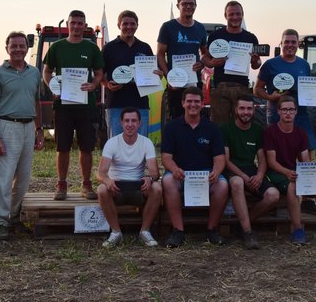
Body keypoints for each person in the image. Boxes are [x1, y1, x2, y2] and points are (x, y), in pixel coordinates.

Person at [263, 96, 316, 244]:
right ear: (278, 112)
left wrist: (313, 174)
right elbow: (271, 162)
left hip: (294, 171)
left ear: (296, 112)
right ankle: (297, 230)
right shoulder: (270, 132)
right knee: (293, 186)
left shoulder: (300, 133)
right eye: (284, 110)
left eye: (291, 109)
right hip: (276, 174)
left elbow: (305, 159)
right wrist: (287, 172)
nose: (287, 113)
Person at [0, 32, 44, 240]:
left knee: (23, 177)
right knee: (4, 177)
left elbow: (36, 102)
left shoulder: (34, 73)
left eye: (21, 46)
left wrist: (39, 129)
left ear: (27, 48)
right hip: (6, 125)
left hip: (28, 127)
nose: (18, 49)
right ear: (7, 48)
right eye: (14, 46)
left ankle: (15, 219)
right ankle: (1, 222)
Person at [43, 10, 104, 200]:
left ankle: (86, 184)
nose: (76, 26)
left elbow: (99, 73)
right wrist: (53, 87)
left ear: (85, 26)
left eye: (80, 23)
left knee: (87, 147)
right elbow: (47, 71)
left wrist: (93, 84)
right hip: (63, 105)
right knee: (63, 147)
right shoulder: (57, 47)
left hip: (86, 106)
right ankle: (61, 184)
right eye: (73, 23)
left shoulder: (91, 48)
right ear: (68, 24)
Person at [161, 86, 228, 247]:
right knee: (168, 181)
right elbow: (166, 157)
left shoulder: (212, 128)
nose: (193, 104)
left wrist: (216, 172)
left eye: (197, 101)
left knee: (223, 185)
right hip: (181, 174)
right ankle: (178, 231)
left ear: (203, 103)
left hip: (205, 174)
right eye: (189, 101)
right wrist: (175, 169)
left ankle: (212, 230)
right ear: (183, 103)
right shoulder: (171, 127)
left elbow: (220, 158)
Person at [96, 107, 162, 248]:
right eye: (127, 120)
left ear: (140, 124)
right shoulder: (112, 143)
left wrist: (150, 178)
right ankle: (115, 232)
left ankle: (145, 231)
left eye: (134, 121)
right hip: (117, 187)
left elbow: (155, 173)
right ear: (121, 123)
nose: (130, 124)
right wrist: (108, 181)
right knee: (101, 189)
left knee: (156, 187)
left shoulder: (146, 143)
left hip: (138, 187)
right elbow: (100, 173)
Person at [221, 95, 279, 249]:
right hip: (233, 171)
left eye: (249, 108)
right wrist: (245, 177)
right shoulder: (226, 129)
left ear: (253, 110)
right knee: (238, 182)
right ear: (236, 110)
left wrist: (259, 176)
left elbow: (262, 158)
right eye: (242, 108)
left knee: (273, 195)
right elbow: (226, 161)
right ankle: (248, 232)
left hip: (252, 171)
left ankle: (241, 225)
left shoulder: (258, 130)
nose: (245, 112)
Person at [254, 29, 316, 151]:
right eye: (286, 42)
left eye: (293, 42)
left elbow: (308, 88)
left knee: (307, 148)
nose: (290, 45)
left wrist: (315, 93)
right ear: (281, 43)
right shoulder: (270, 64)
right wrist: (270, 97)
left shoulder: (304, 64)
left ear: (298, 44)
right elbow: (257, 89)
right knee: (278, 150)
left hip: (300, 114)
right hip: (277, 115)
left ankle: (303, 171)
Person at [102, 10, 160, 138]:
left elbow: (152, 72)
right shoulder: (109, 48)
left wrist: (157, 76)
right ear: (118, 25)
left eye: (132, 24)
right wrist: (107, 84)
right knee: (116, 144)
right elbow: (99, 74)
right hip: (116, 103)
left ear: (137, 25)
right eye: (125, 24)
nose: (129, 27)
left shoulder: (145, 47)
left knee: (140, 144)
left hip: (140, 103)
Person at [202, 1, 261, 124]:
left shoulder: (251, 38)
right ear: (225, 15)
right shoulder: (216, 36)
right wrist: (212, 63)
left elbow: (256, 65)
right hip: (220, 87)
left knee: (241, 124)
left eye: (238, 14)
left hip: (242, 87)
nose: (235, 17)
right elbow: (204, 58)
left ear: (242, 15)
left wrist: (256, 61)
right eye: (231, 14)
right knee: (219, 125)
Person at [157, 0, 208, 119]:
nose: (188, 6)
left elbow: (206, 53)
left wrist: (201, 63)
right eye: (185, 4)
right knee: (175, 119)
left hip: (193, 82)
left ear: (196, 6)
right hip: (175, 83)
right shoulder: (168, 27)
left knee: (195, 117)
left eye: (191, 4)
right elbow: (160, 54)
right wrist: (168, 76)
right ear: (178, 6)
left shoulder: (200, 28)